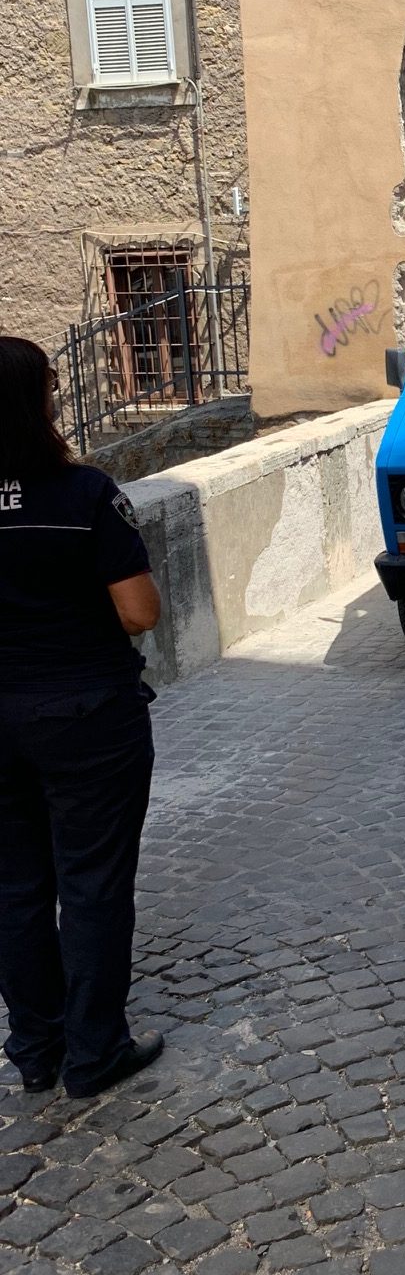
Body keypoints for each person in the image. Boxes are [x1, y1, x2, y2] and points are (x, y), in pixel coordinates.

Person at [0, 338, 165, 1099]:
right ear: (37, 402)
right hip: (87, 717)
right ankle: (94, 1050)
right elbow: (137, 613)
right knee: (93, 882)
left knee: (15, 886)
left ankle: (36, 1050)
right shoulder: (84, 495)